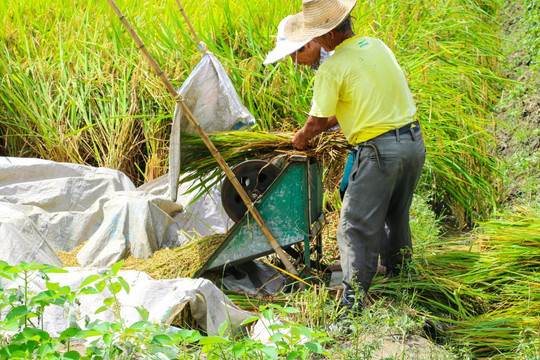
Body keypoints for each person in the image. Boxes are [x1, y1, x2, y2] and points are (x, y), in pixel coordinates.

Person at [285, 0, 426, 311]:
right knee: (395, 216)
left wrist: (299, 140)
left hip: (380, 152)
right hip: (413, 142)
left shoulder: (333, 67)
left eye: (316, 36)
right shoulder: (377, 46)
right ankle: (402, 281)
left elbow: (318, 121)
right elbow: (376, 95)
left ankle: (352, 307)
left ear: (327, 35)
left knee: (353, 226)